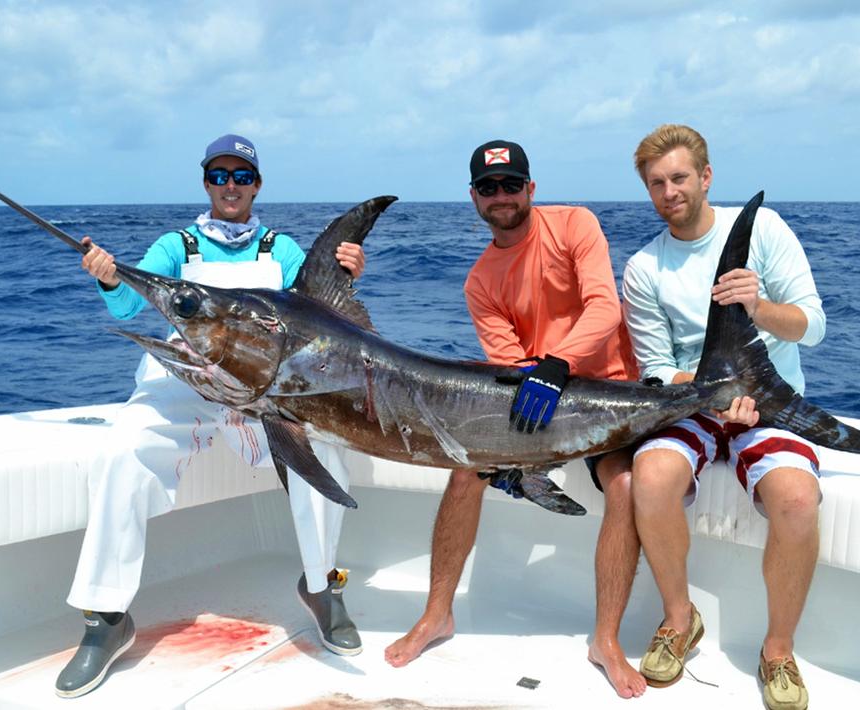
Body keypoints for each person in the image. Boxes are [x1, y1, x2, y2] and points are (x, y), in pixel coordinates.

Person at [55, 134, 365, 699]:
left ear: (257, 185)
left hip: (265, 391)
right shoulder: (175, 247)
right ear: (205, 182)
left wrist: (346, 274)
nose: (230, 186)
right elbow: (131, 302)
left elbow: (319, 313)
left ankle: (321, 586)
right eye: (219, 176)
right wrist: (107, 276)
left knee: (327, 457)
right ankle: (106, 618)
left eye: (241, 176)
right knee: (119, 453)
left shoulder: (283, 250)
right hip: (186, 386)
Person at [385, 140, 646, 699]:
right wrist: (511, 442)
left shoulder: (575, 223)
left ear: (530, 188)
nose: (500, 197)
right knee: (463, 473)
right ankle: (437, 615)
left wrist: (559, 363)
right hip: (538, 403)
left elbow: (604, 305)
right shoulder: (480, 281)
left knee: (624, 485)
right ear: (474, 197)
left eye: (510, 185)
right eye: (488, 188)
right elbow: (508, 366)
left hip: (608, 395)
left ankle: (606, 639)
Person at [623, 124, 824, 710]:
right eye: (657, 183)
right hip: (697, 399)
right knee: (651, 478)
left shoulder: (765, 229)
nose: (669, 191)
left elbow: (813, 327)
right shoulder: (644, 267)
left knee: (795, 499)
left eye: (680, 178)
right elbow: (659, 373)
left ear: (705, 177)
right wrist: (714, 390)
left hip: (769, 401)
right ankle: (679, 620)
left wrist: (756, 306)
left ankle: (779, 650)